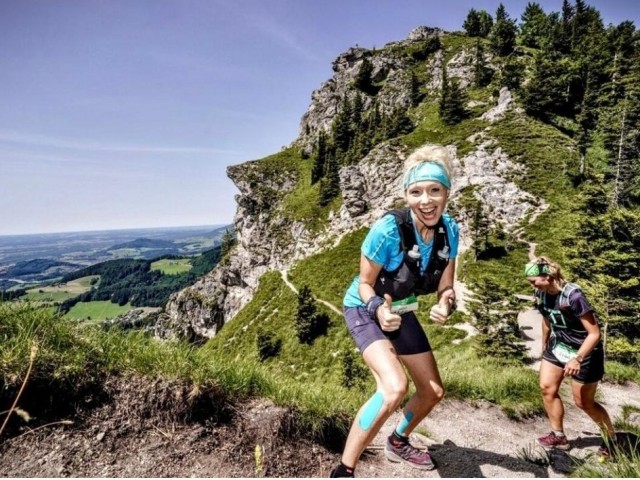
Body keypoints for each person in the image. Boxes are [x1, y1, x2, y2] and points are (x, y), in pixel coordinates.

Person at [330, 144, 459, 477]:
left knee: (432, 391)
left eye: (434, 190)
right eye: (416, 192)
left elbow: (446, 286)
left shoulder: (450, 232)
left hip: (400, 308)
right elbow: (364, 284)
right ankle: (344, 470)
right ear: (407, 194)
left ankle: (398, 442)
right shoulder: (387, 230)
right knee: (394, 387)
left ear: (447, 192)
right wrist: (377, 309)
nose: (426, 200)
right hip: (364, 306)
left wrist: (446, 302)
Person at [525, 256, 617, 457]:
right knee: (547, 389)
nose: (532, 285)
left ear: (547, 276)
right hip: (558, 347)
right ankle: (558, 436)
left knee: (584, 402)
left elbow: (594, 333)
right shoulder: (541, 294)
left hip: (585, 351)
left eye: (533, 281)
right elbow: (547, 320)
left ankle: (611, 440)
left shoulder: (573, 296)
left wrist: (577, 358)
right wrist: (544, 346)